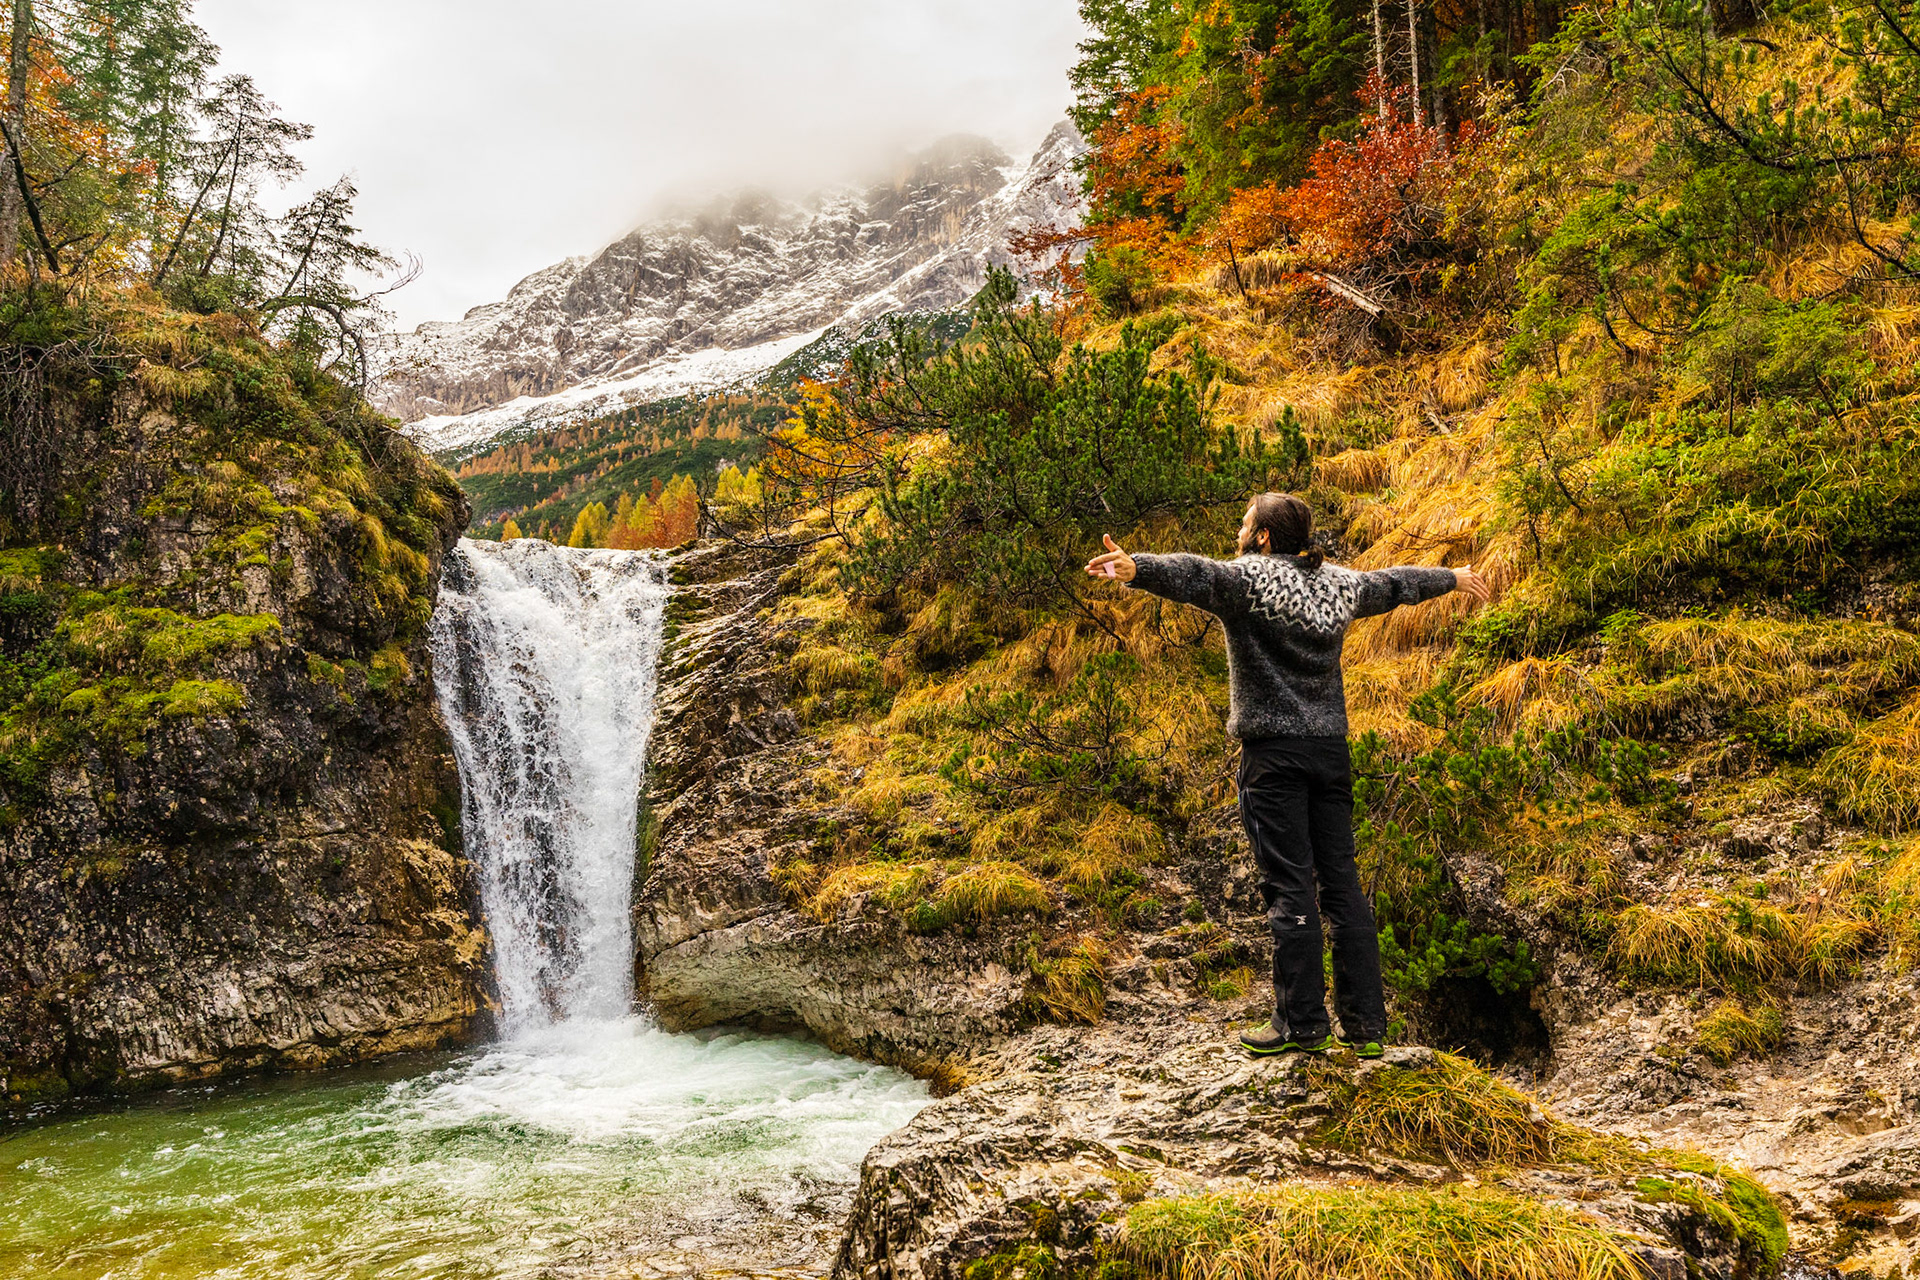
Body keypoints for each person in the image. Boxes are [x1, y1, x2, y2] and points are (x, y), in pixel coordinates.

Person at [1085, 492, 1491, 1058]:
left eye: (1245, 523)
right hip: (1330, 752)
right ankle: (1367, 1029)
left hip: (1273, 757)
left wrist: (1138, 569)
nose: (1238, 529)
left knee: (1290, 885)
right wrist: (1451, 576)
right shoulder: (1339, 586)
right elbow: (1394, 584)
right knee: (1343, 885)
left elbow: (1194, 575)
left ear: (1265, 537)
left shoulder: (1248, 582)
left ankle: (1301, 1025)